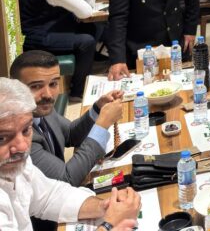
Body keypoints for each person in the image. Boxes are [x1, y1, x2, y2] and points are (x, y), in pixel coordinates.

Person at [0, 77, 141, 231]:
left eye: (26, 130)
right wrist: (108, 225)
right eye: (2, 138)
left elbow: (49, 196)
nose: (22, 146)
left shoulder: (14, 161)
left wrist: (105, 206)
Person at [10, 51, 124, 195]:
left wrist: (97, 109)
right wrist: (102, 125)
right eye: (36, 86)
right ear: (15, 88)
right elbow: (67, 179)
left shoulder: (39, 107)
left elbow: (70, 134)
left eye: (53, 84)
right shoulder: (17, 136)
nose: (48, 95)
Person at [20, 0, 98, 99]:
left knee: (90, 27)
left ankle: (90, 66)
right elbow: (86, 12)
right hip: (37, 36)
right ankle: (78, 91)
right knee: (86, 42)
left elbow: (85, 4)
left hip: (49, 28)